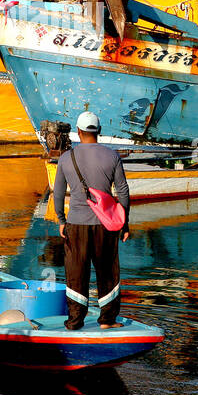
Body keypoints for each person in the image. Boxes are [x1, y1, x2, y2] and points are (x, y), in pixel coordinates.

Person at [53, 111, 131, 330]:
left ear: (78, 131)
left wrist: (61, 219)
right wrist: (124, 222)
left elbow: (58, 193)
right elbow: (123, 191)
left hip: (76, 224)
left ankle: (75, 321)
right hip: (105, 225)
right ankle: (107, 320)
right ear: (99, 130)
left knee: (76, 272)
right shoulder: (112, 156)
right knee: (107, 271)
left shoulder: (66, 157)